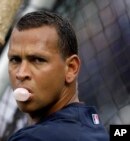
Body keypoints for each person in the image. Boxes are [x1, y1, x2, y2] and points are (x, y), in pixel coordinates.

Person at [7, 11, 109, 141]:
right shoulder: (92, 124)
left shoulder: (34, 138)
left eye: (37, 60)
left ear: (71, 68)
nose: (21, 74)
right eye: (15, 60)